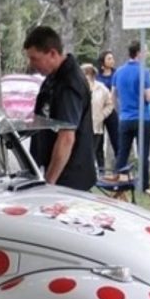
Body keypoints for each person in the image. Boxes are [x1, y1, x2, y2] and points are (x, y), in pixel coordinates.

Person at [22, 26, 96, 191]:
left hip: (68, 179)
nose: (32, 65)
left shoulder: (70, 83)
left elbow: (66, 138)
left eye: (35, 59)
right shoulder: (52, 78)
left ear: (53, 54)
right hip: (49, 169)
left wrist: (49, 183)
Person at [111, 40, 150, 189]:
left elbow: (113, 95)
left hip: (125, 118)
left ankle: (119, 181)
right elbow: (149, 97)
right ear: (139, 53)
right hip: (142, 118)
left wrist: (120, 111)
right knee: (143, 154)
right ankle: (144, 185)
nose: (148, 54)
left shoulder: (119, 71)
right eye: (146, 51)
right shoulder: (144, 71)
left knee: (122, 152)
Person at [80, 62, 114, 174]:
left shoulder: (101, 88)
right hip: (81, 126)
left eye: (86, 74)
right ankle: (85, 174)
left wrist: (102, 115)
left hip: (96, 125)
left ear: (92, 75)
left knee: (97, 150)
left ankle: (101, 173)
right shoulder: (79, 88)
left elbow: (110, 104)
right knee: (83, 152)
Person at [96, 50, 119, 167]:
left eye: (112, 58)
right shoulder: (97, 76)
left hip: (111, 109)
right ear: (103, 61)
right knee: (99, 141)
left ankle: (119, 167)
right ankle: (101, 169)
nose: (112, 61)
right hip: (99, 110)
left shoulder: (116, 74)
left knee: (116, 138)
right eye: (109, 58)